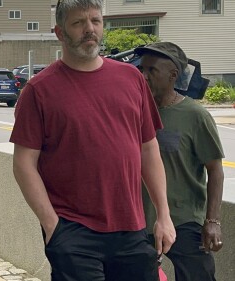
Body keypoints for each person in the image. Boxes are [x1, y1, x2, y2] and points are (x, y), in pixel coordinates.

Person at [9, 1, 176, 280]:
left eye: (95, 21)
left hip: (131, 228)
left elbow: (148, 148)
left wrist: (163, 215)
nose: (90, 29)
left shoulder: (131, 78)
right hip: (74, 232)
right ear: (60, 32)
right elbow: (24, 163)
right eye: (78, 23)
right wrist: (52, 226)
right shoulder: (39, 89)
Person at [136, 42, 225, 281]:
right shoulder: (135, 112)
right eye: (141, 69)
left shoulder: (195, 116)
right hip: (140, 223)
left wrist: (212, 221)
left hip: (184, 222)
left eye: (151, 70)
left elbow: (215, 171)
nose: (143, 76)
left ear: (173, 75)